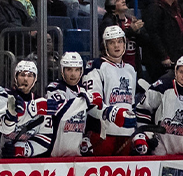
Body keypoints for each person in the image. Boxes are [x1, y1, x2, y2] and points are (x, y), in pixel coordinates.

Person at [137, 56, 183, 156]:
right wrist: (144, 135)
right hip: (160, 151)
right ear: (175, 72)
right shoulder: (162, 88)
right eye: (181, 71)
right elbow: (142, 110)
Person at [86, 26, 141, 156]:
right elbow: (92, 103)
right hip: (103, 134)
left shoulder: (130, 69)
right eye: (111, 42)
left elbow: (131, 103)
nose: (116, 45)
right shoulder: (97, 66)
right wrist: (112, 113)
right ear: (105, 45)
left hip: (127, 134)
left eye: (120, 41)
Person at [48, 52, 93, 157]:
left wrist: (111, 113)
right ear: (62, 70)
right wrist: (84, 100)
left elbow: (91, 116)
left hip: (77, 157)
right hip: (55, 157)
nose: (73, 74)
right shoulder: (54, 88)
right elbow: (62, 112)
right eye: (69, 70)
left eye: (77, 70)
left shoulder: (83, 91)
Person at [141, 0, 183, 81]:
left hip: (175, 54)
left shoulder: (177, 7)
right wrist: (164, 56)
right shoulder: (154, 8)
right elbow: (153, 34)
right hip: (158, 59)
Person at [101, 0, 147, 70]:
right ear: (112, 7)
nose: (123, 1)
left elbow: (146, 41)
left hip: (134, 65)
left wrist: (138, 31)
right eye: (118, 0)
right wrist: (131, 30)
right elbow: (113, 39)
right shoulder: (108, 22)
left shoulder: (131, 20)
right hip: (116, 66)